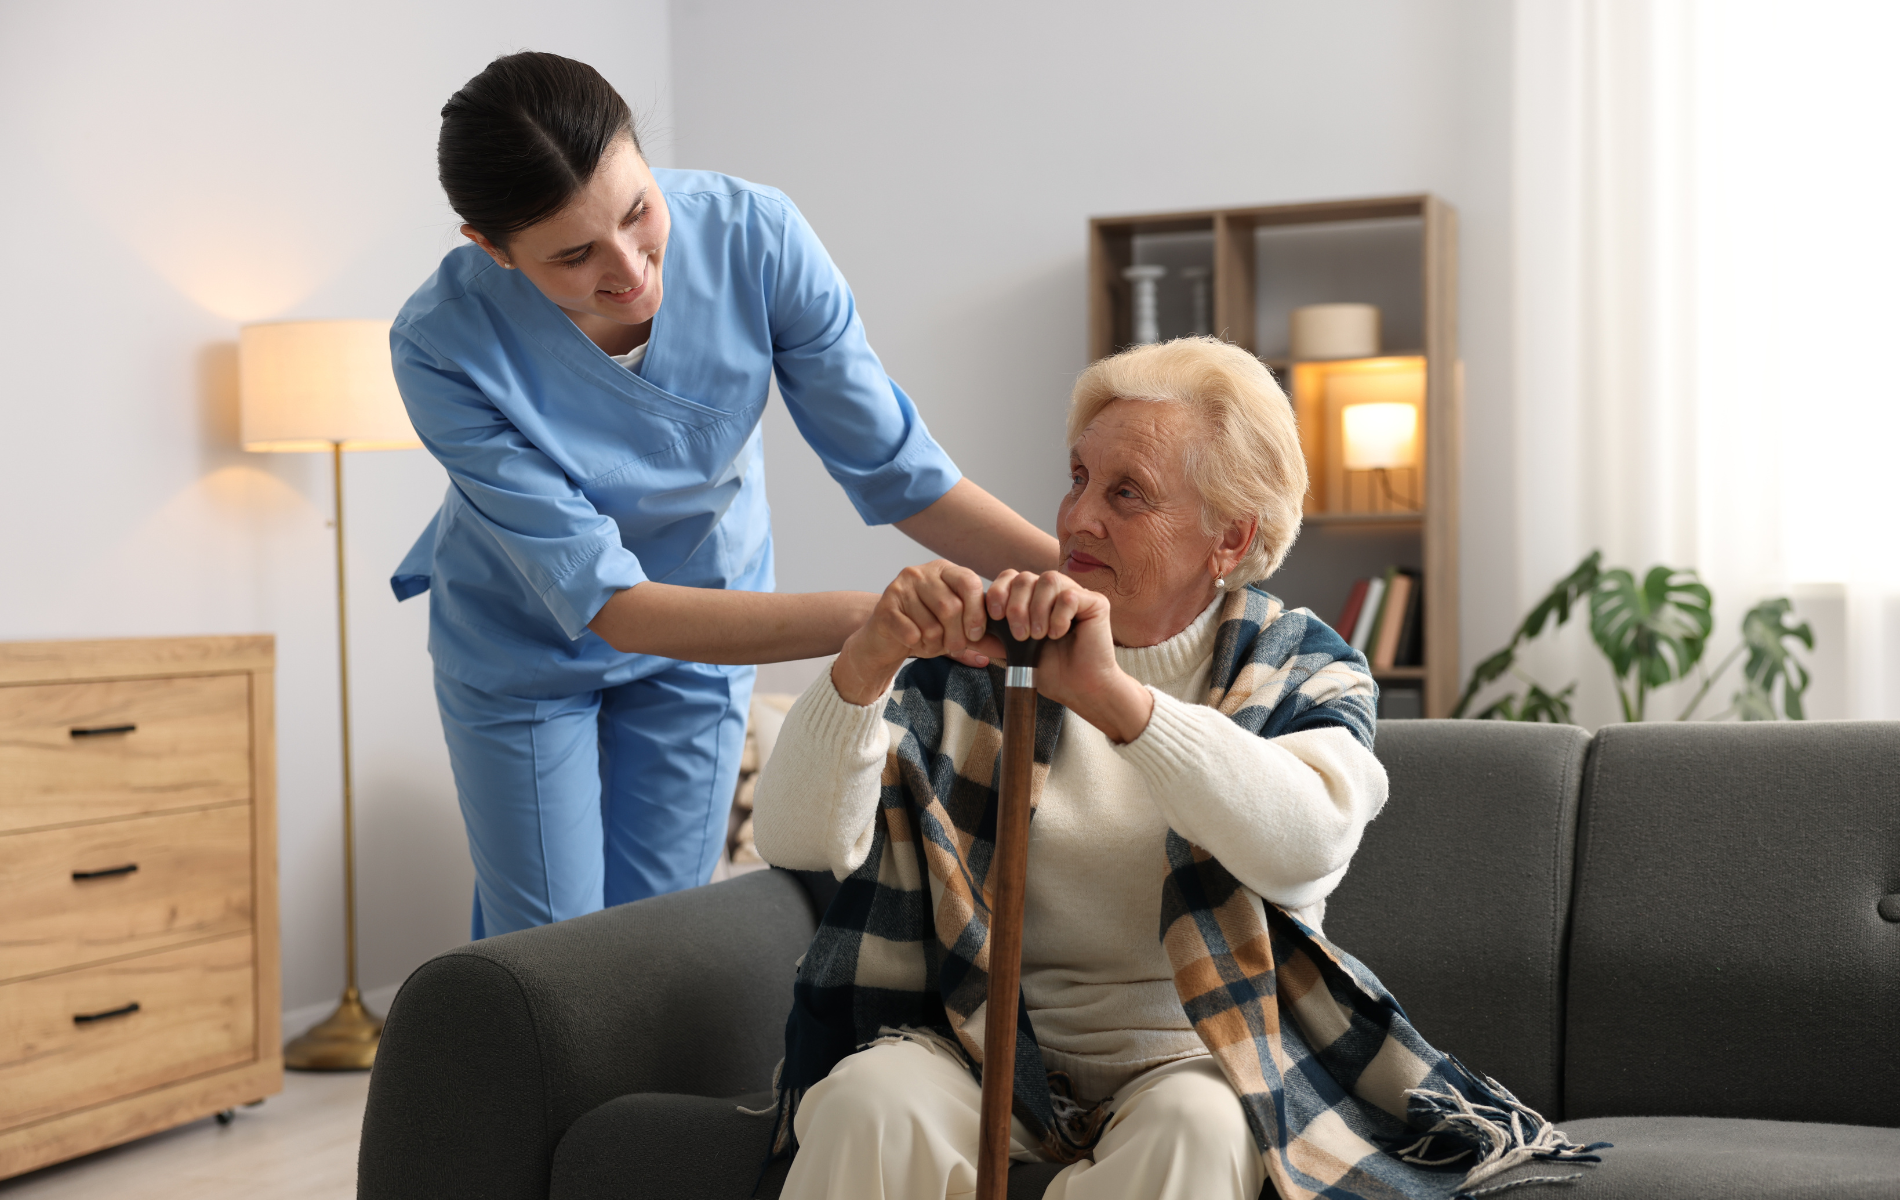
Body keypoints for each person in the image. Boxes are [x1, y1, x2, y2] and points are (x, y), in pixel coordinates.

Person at [753, 339, 1600, 1200]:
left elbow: (1306, 842)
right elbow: (795, 837)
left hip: (1198, 1054)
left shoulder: (1304, 665)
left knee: (1196, 1129)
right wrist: (867, 662)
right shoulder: (991, 652)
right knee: (867, 1100)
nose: (1077, 518)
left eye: (1127, 494)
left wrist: (1113, 698)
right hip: (980, 1044)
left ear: (1229, 538)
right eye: (1079, 477)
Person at [388, 52, 1055, 939]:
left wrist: (1094, 580)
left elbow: (900, 471)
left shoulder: (757, 236)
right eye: (574, 255)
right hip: (526, 648)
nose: (628, 268)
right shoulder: (442, 344)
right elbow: (615, 608)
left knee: (658, 933)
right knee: (546, 947)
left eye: (638, 212)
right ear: (490, 248)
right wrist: (886, 619)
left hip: (706, 623)